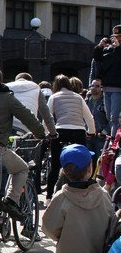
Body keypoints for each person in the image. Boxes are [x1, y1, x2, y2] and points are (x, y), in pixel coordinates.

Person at [0, 64, 46, 220]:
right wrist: (42, 133)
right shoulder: (6, 98)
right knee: (22, 169)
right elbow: (28, 118)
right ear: (0, 80)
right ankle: (11, 200)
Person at [46, 74, 95, 206]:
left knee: (55, 166)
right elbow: (89, 117)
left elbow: (48, 117)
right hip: (78, 131)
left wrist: (47, 133)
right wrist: (91, 132)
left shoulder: (53, 97)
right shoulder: (78, 97)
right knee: (82, 163)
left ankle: (49, 197)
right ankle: (84, 193)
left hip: (60, 131)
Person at [7, 72, 57, 137]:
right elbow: (46, 114)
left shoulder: (7, 87)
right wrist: (53, 133)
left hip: (8, 128)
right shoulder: (36, 88)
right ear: (31, 81)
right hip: (29, 129)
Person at [93, 25, 121, 135]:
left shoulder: (118, 50)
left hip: (118, 88)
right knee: (109, 115)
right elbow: (97, 58)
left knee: (114, 116)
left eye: (119, 36)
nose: (116, 39)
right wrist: (100, 46)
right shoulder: (110, 49)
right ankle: (112, 137)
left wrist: (118, 47)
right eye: (115, 36)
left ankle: (114, 139)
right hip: (106, 86)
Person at [86, 78, 108, 167]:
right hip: (88, 135)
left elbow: (111, 119)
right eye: (92, 85)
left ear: (101, 88)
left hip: (101, 135)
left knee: (100, 160)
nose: (94, 88)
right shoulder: (87, 101)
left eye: (97, 86)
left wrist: (105, 131)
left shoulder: (106, 101)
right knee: (88, 159)